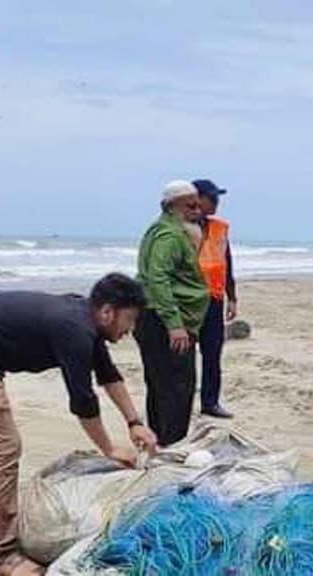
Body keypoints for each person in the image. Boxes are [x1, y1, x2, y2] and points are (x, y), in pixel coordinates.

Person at [0, 273, 158, 576]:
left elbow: (108, 374)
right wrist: (109, 448)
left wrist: (134, 423)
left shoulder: (85, 318)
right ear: (108, 311)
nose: (130, 330)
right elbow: (83, 401)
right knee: (2, 447)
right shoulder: (74, 328)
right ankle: (0, 554)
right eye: (130, 320)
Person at [135, 181, 210, 446]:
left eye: (198, 205)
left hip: (160, 318)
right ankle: (171, 445)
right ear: (171, 206)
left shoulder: (168, 232)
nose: (197, 211)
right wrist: (174, 324)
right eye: (190, 206)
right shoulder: (169, 236)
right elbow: (158, 278)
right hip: (164, 320)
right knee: (177, 388)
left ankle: (160, 443)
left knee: (161, 386)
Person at [192, 179, 237, 419]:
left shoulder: (218, 228)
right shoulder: (180, 227)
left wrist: (232, 297)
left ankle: (210, 402)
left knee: (213, 353)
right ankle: (183, 401)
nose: (216, 202)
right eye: (212, 197)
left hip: (214, 298)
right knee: (185, 354)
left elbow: (226, 262)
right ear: (196, 198)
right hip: (189, 301)